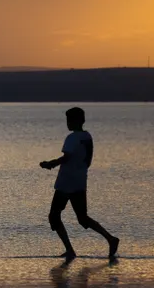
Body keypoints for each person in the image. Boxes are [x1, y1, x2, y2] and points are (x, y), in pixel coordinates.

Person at [40, 107, 120, 260]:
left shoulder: (72, 138)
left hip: (66, 182)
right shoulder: (87, 136)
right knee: (82, 218)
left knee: (54, 215)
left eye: (70, 120)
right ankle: (110, 238)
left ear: (78, 121)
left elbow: (67, 157)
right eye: (67, 120)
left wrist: (51, 164)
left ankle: (70, 250)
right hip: (80, 180)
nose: (68, 123)